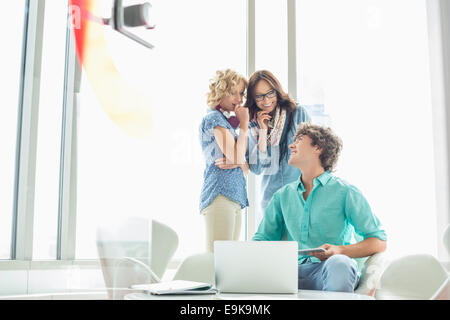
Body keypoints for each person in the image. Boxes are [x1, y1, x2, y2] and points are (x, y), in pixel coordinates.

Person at [252, 123, 387, 293]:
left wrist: (340, 250)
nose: (291, 145)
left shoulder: (345, 191)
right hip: (289, 273)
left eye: (299, 140)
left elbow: (378, 241)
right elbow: (263, 239)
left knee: (339, 263)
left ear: (318, 148)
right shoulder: (282, 196)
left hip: (331, 270)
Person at [244, 70, 310, 218]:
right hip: (270, 200)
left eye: (270, 93)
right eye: (259, 96)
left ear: (277, 91)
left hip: (298, 198)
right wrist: (262, 131)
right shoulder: (253, 124)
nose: (266, 100)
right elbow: (257, 168)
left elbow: (309, 157)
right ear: (253, 98)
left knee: (297, 242)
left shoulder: (298, 113)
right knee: (271, 242)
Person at [199, 69, 250, 252]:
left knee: (227, 262)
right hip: (220, 195)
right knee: (217, 261)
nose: (239, 99)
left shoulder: (226, 122)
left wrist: (238, 160)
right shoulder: (214, 118)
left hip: (233, 197)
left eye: (241, 93)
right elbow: (238, 157)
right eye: (233, 93)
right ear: (220, 92)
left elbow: (243, 164)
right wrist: (244, 125)